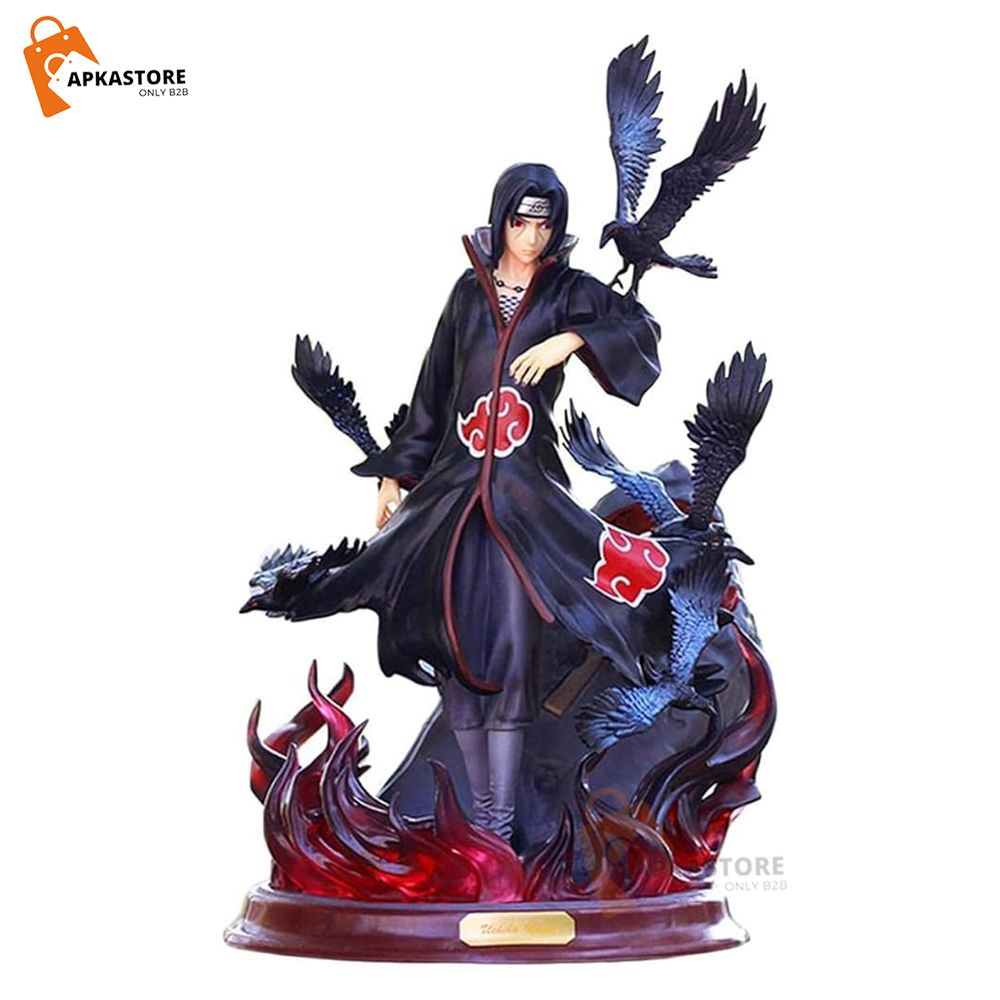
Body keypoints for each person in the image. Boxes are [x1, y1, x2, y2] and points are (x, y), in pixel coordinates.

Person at [284, 163, 665, 842]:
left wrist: (572, 338)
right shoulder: (468, 293)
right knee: (456, 649)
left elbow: (638, 327)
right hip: (455, 498)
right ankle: (484, 833)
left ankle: (497, 825)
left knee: (512, 652)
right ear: (501, 219)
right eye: (521, 221)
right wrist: (396, 475)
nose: (532, 236)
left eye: (545, 224)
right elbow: (432, 388)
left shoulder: (567, 291)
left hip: (526, 502)